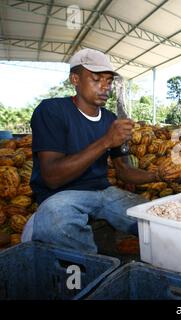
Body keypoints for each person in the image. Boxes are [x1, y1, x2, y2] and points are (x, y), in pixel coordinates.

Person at [22, 48, 167, 254]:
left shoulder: (110, 119)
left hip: (103, 193)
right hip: (61, 196)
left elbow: (123, 171)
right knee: (55, 220)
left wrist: (159, 175)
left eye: (108, 81)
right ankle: (95, 273)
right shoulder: (52, 110)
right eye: (96, 79)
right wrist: (107, 140)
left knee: (157, 218)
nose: (104, 86)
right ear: (75, 79)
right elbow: (52, 177)